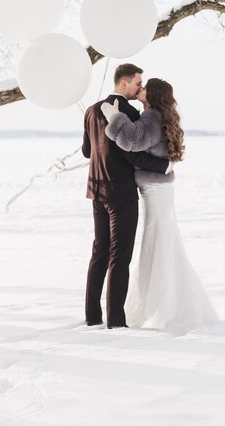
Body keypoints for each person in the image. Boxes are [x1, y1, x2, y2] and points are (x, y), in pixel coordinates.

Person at [101, 78, 218, 333]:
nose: (140, 89)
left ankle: (163, 307)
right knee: (164, 240)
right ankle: (169, 302)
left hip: (155, 189)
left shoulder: (152, 117)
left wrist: (114, 117)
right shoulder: (157, 116)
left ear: (152, 94)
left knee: (158, 241)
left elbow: (131, 141)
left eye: (144, 87)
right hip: (160, 189)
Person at [82, 64, 172, 329]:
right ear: (124, 84)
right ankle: (116, 321)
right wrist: (163, 166)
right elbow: (131, 153)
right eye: (137, 83)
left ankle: (92, 317)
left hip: (96, 190)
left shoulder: (91, 110)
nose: (139, 88)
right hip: (120, 192)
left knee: (99, 252)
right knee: (119, 256)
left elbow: (88, 151)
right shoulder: (130, 112)